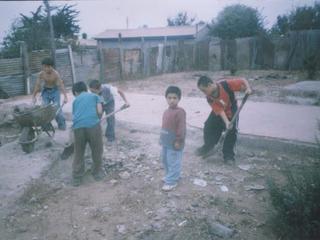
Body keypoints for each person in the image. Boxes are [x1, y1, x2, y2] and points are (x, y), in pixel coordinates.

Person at [196, 76, 252, 163]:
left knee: (231, 130)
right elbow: (219, 110)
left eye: (204, 90)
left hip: (231, 109)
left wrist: (247, 88)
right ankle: (208, 146)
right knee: (208, 126)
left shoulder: (226, 85)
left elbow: (243, 80)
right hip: (220, 111)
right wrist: (226, 122)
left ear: (210, 85)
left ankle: (228, 155)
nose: (204, 93)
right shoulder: (209, 97)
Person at [71, 81, 104, 187]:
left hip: (78, 128)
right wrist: (97, 120)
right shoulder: (95, 96)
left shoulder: (75, 101)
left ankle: (77, 177)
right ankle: (97, 173)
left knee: (79, 152)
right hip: (93, 126)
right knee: (97, 149)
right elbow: (99, 111)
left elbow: (75, 116)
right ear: (86, 89)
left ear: (76, 92)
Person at [160, 86, 186, 191]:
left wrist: (179, 140)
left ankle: (172, 181)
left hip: (175, 142)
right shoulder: (166, 111)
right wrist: (161, 139)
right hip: (166, 141)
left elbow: (181, 128)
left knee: (173, 161)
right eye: (169, 98)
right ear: (166, 98)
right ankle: (170, 175)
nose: (171, 100)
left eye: (174, 98)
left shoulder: (180, 112)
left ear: (179, 99)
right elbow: (164, 126)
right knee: (165, 159)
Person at [32, 57, 68, 130]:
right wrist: (33, 96)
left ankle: (62, 125)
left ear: (51, 66)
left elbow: (61, 85)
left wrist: (65, 96)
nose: (45, 68)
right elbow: (37, 85)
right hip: (45, 91)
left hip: (55, 91)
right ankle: (47, 126)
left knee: (57, 109)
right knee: (45, 109)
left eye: (47, 67)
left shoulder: (56, 74)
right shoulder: (41, 74)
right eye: (44, 67)